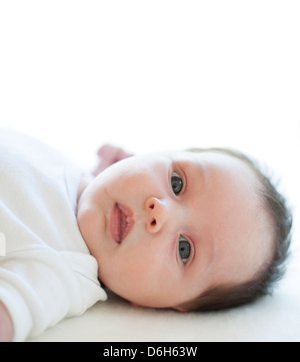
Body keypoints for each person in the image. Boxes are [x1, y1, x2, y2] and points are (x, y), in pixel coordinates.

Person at [0, 129, 292, 342]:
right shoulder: (79, 176)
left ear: (161, 305)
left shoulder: (60, 270)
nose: (159, 212)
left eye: (184, 250)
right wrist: (105, 172)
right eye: (176, 182)